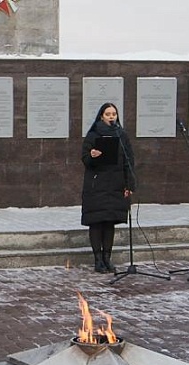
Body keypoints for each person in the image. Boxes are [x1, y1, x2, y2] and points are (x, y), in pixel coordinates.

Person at [80, 102, 135, 273]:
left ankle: (107, 258)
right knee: (97, 222)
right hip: (97, 184)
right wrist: (92, 156)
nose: (111, 117)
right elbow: (84, 158)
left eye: (114, 114)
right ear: (101, 116)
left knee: (109, 222)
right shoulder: (93, 135)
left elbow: (129, 161)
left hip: (116, 184)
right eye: (108, 114)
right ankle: (98, 260)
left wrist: (129, 184)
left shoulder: (122, 135)